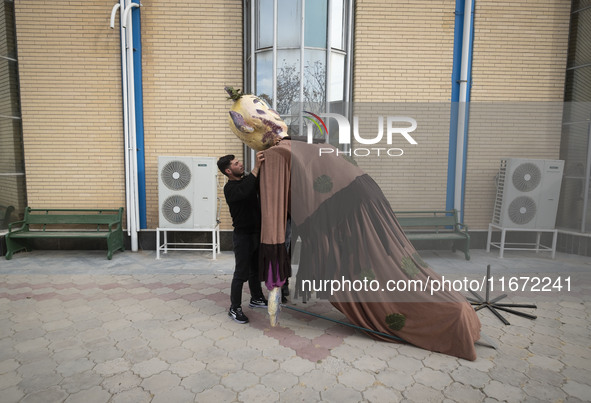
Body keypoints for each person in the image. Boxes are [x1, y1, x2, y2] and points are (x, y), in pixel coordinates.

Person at [217, 152, 268, 324]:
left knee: (255, 269)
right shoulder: (230, 189)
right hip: (242, 236)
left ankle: (256, 298)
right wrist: (257, 167)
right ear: (228, 171)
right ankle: (235, 308)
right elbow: (246, 192)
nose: (240, 164)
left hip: (256, 233)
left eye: (239, 162)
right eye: (236, 163)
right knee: (241, 273)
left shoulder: (246, 180)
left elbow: (254, 185)